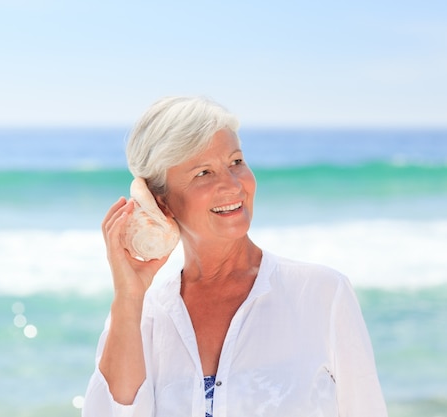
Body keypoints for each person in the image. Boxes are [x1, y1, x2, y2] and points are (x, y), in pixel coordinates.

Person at [82, 96, 387, 417]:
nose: (232, 185)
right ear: (161, 203)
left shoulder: (322, 293)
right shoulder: (142, 317)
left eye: (236, 162)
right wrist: (129, 295)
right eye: (203, 173)